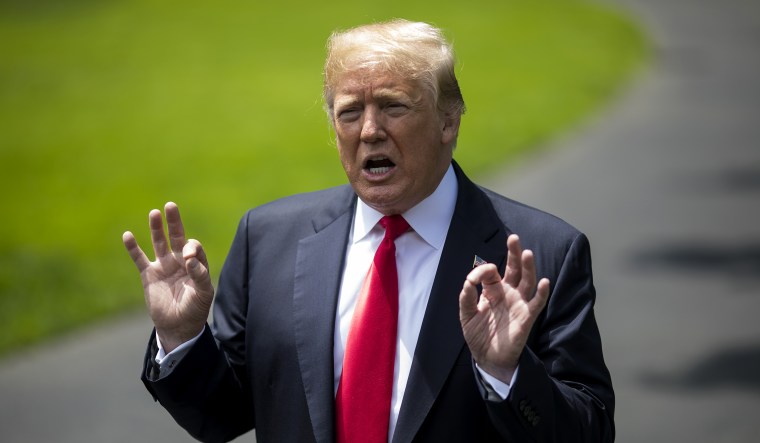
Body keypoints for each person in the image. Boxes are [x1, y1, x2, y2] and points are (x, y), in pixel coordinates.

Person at [123, 19, 614, 443]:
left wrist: (507, 373)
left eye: (393, 106)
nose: (370, 130)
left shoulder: (543, 253)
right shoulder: (267, 240)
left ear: (449, 121)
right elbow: (219, 415)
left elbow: (589, 430)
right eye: (350, 112)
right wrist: (181, 337)